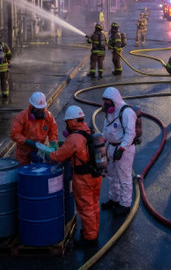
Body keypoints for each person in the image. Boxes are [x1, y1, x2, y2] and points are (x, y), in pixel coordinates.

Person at [46, 105, 102, 247]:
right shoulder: (90, 131)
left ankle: (90, 238)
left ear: (71, 122)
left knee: (85, 208)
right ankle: (93, 231)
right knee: (94, 205)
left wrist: (48, 154)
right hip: (96, 175)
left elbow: (59, 156)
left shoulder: (74, 138)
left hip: (84, 178)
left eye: (66, 123)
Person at [101, 87, 136, 216]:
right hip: (110, 147)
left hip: (123, 150)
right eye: (104, 101)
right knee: (112, 176)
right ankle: (114, 199)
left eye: (107, 102)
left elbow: (130, 133)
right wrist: (102, 144)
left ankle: (125, 204)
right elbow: (106, 130)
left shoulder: (126, 112)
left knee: (124, 178)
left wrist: (122, 149)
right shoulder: (109, 112)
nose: (105, 105)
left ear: (114, 101)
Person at [10, 91, 58, 165]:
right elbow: (14, 134)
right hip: (24, 153)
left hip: (40, 151)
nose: (40, 112)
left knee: (40, 170)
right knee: (24, 172)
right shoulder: (22, 117)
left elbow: (53, 131)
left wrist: (53, 141)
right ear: (31, 106)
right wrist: (28, 141)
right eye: (37, 109)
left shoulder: (48, 116)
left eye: (41, 109)